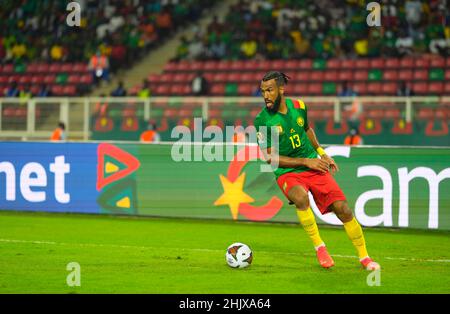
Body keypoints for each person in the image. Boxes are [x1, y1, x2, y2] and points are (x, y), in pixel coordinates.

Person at [253, 71, 380, 270]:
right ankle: (320, 247)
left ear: (281, 89)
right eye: (262, 91)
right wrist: (305, 161)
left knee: (343, 209)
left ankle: (365, 258)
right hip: (288, 172)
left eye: (269, 90)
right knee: (301, 198)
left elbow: (307, 130)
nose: (265, 95)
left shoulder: (300, 106)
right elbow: (271, 158)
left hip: (313, 164)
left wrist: (321, 153)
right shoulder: (262, 120)